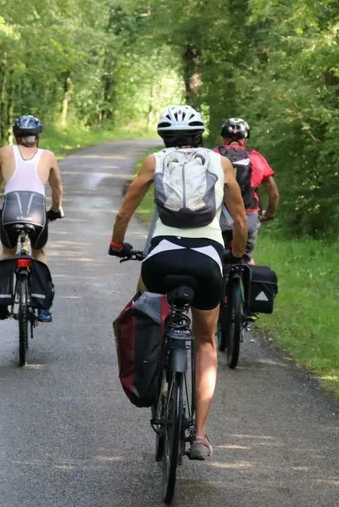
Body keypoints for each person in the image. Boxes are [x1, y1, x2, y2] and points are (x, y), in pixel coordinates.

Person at [108, 105, 248, 461]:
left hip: (160, 261)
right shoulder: (222, 164)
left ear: (163, 137)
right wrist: (235, 253)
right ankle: (199, 436)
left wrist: (116, 245)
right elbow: (241, 221)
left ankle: (147, 372)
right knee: (205, 342)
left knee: (144, 312)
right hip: (206, 263)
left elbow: (125, 209)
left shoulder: (155, 162)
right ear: (200, 136)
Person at [0, 115, 64, 321]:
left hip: (10, 212)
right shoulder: (48, 155)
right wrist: (55, 210)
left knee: (7, 251)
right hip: (38, 213)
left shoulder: (4, 152)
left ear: (16, 136)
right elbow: (57, 188)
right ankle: (43, 308)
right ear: (37, 137)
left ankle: (2, 299)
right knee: (39, 252)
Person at [215, 117, 279, 265]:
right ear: (245, 139)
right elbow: (274, 193)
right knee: (247, 259)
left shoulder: (213, 155)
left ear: (224, 138)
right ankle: (250, 285)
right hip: (248, 218)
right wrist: (268, 214)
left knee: (215, 259)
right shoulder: (256, 157)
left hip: (218, 218)